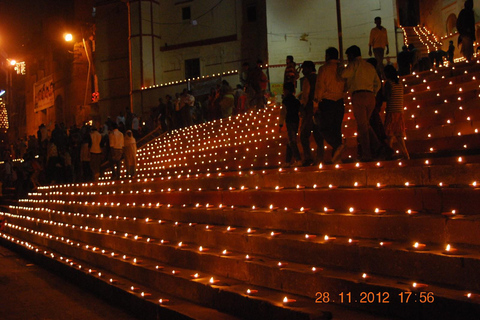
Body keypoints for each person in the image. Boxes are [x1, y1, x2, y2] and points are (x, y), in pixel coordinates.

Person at [342, 45, 382, 162]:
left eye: (348, 56)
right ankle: (378, 147)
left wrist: (340, 69)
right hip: (370, 96)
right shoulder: (369, 66)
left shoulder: (354, 64)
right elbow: (378, 83)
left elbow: (344, 74)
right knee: (365, 125)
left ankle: (367, 154)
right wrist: (372, 93)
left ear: (352, 55)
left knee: (363, 127)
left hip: (359, 96)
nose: (348, 58)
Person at [313, 47, 346, 164]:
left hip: (327, 102)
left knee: (324, 127)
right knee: (337, 129)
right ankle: (337, 158)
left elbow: (320, 86)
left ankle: (337, 146)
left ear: (327, 56)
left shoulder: (324, 69)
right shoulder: (341, 69)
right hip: (340, 101)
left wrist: (316, 103)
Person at [299, 61, 323, 166]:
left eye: (304, 69)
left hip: (309, 109)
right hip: (319, 109)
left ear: (309, 68)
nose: (303, 71)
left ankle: (308, 158)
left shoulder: (307, 80)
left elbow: (305, 96)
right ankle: (320, 158)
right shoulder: (319, 78)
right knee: (318, 134)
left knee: (304, 135)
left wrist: (302, 108)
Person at [383, 65, 410, 160]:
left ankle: (389, 155)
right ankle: (405, 154)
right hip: (400, 111)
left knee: (389, 135)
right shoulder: (400, 83)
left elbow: (387, 97)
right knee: (399, 135)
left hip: (392, 111)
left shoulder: (388, 83)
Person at [279, 82, 302, 167]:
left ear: (287, 90)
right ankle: (288, 161)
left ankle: (298, 159)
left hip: (289, 121)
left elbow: (283, 112)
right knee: (290, 141)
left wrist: (280, 124)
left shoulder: (286, 101)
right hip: (296, 121)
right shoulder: (296, 101)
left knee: (292, 141)